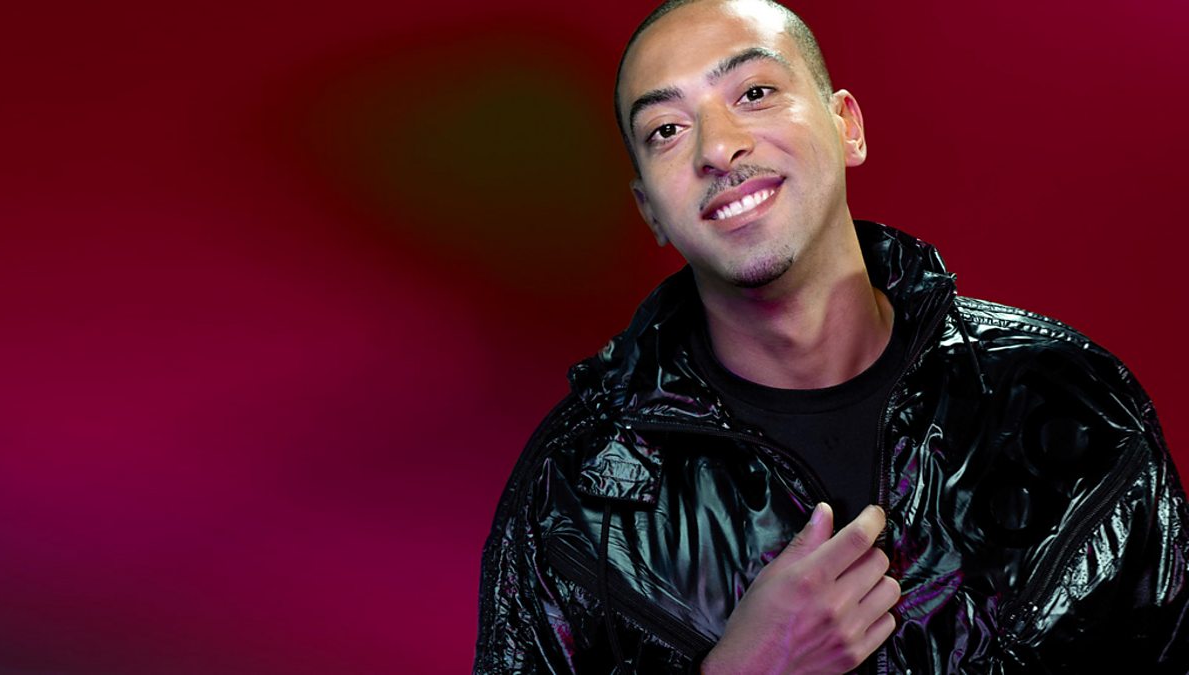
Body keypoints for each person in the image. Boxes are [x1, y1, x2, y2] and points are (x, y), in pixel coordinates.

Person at [473, 0, 1189, 672]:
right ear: (649, 210)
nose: (718, 147)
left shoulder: (1072, 399)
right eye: (666, 130)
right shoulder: (573, 492)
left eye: (754, 93)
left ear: (847, 126)